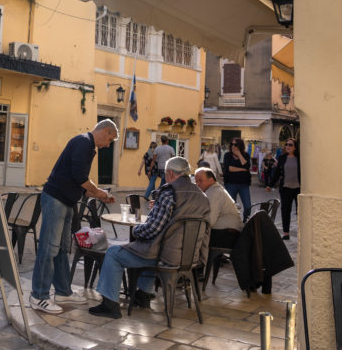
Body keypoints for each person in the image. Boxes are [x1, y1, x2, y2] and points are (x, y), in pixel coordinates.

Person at [89, 157, 210, 319]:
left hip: (165, 256)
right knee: (152, 247)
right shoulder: (203, 197)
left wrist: (137, 230)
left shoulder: (169, 193)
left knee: (114, 253)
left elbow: (152, 229)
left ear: (170, 174)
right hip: (190, 259)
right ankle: (143, 294)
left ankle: (110, 304)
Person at [28, 120, 119, 314]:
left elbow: (81, 184)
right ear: (104, 131)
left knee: (62, 249)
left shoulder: (87, 146)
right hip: (56, 200)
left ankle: (62, 292)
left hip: (66, 202)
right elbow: (80, 178)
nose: (108, 144)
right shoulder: (83, 143)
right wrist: (101, 193)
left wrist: (101, 193)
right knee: (48, 249)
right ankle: (38, 296)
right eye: (110, 139)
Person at [194, 167, 243, 248]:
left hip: (228, 235)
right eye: (196, 181)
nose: (197, 184)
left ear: (211, 180)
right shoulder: (213, 190)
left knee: (193, 239)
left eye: (200, 181)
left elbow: (209, 221)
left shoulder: (214, 192)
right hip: (228, 232)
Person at [266, 138, 300, 240]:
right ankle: (286, 233)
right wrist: (270, 185)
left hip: (298, 189)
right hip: (285, 188)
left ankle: (302, 232)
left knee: (300, 211)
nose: (288, 147)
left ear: (295, 147)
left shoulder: (300, 158)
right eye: (286, 144)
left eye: (290, 145)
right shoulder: (282, 158)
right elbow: (277, 174)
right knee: (285, 211)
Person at [222, 137, 252, 222]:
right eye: (231, 144)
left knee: (247, 206)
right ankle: (233, 223)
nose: (232, 146)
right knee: (231, 206)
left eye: (235, 144)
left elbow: (247, 166)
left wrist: (239, 155)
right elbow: (229, 168)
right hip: (231, 183)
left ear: (240, 145)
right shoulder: (227, 155)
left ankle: (245, 221)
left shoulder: (245, 155)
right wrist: (242, 169)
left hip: (244, 184)